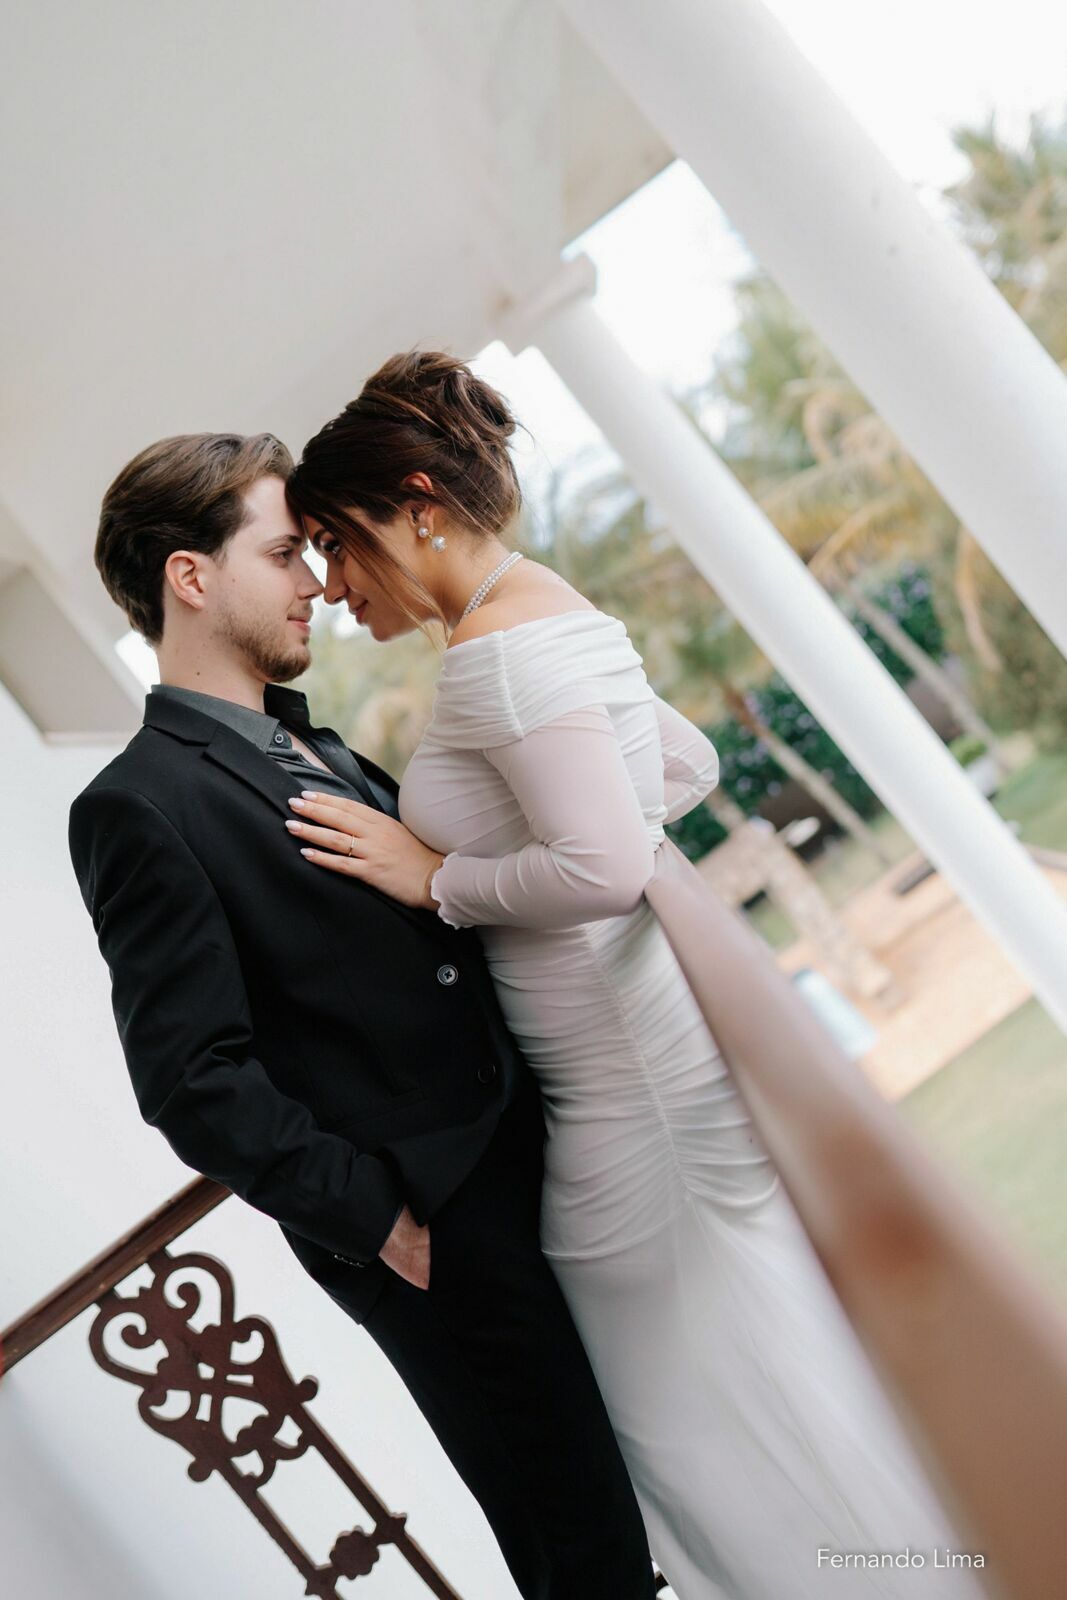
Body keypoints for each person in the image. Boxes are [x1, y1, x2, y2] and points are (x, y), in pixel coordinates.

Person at [284, 351, 986, 1599]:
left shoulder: (499, 653)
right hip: (641, 1066)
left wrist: (435, 876)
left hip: (630, 1105)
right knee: (757, 1384)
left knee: (705, 1427)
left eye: (336, 546)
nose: (332, 588)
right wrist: (546, 833)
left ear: (415, 504)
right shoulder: (547, 606)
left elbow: (604, 865)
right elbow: (686, 765)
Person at [68, 431, 657, 1600]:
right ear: (191, 576)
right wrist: (376, 1218)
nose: (317, 581)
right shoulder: (139, 803)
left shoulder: (312, 743)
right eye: (284, 552)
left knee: (634, 1503)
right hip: (436, 1232)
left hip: (529, 1173)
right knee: (585, 1556)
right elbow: (190, 1076)